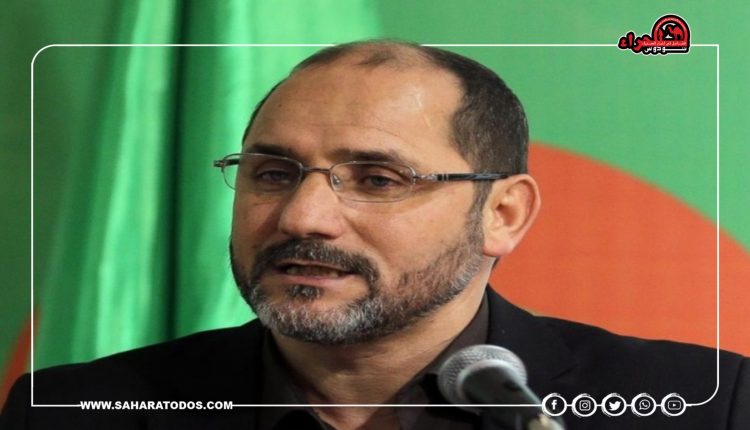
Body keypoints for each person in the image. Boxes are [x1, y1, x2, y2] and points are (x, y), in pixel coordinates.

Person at [1, 40, 748, 430]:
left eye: (379, 179)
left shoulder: (702, 406)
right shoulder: (71, 411)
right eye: (272, 172)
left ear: (503, 214)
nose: (302, 217)